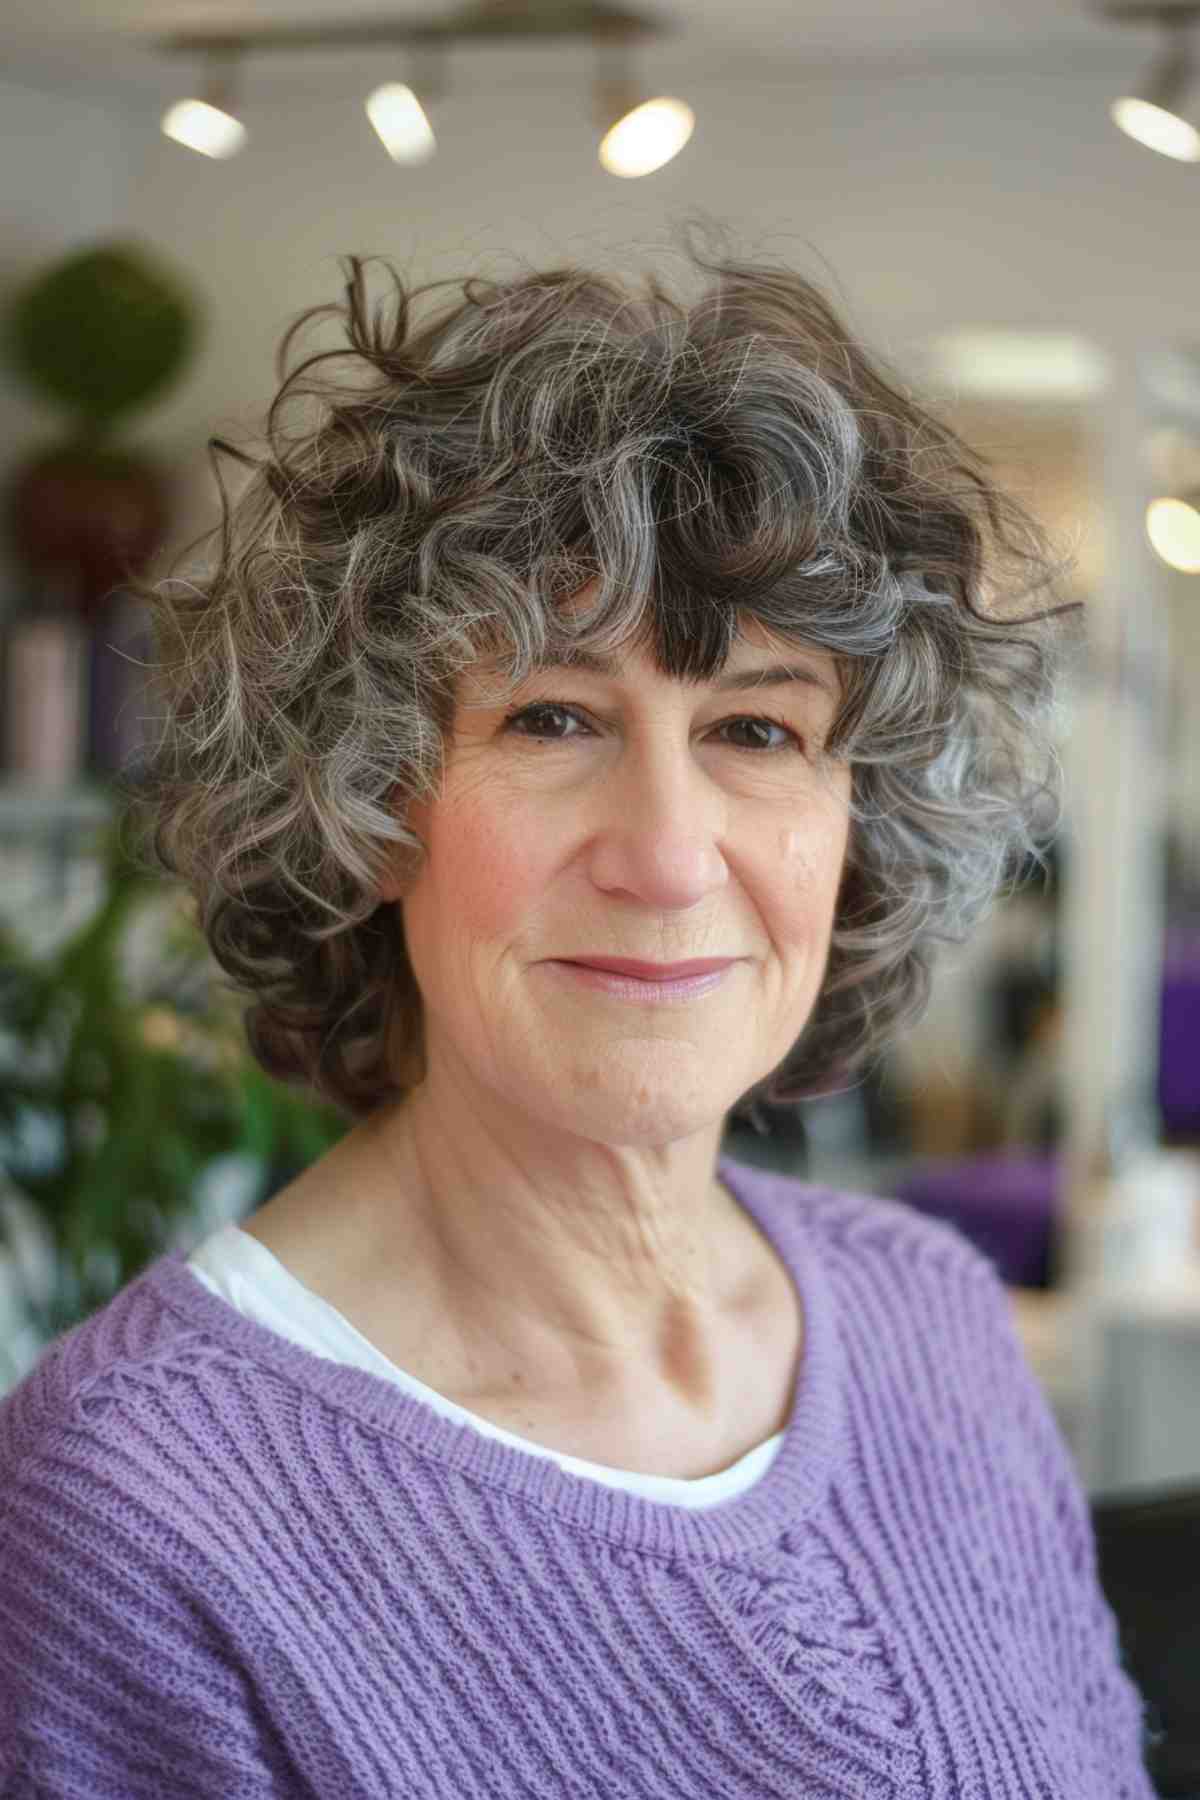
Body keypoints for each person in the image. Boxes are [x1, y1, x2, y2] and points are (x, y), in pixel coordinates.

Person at [0, 220, 1156, 1798]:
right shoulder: (139, 1508)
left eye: (757, 729)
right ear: (366, 800)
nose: (671, 854)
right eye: (552, 716)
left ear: (858, 816)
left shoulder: (933, 1320)